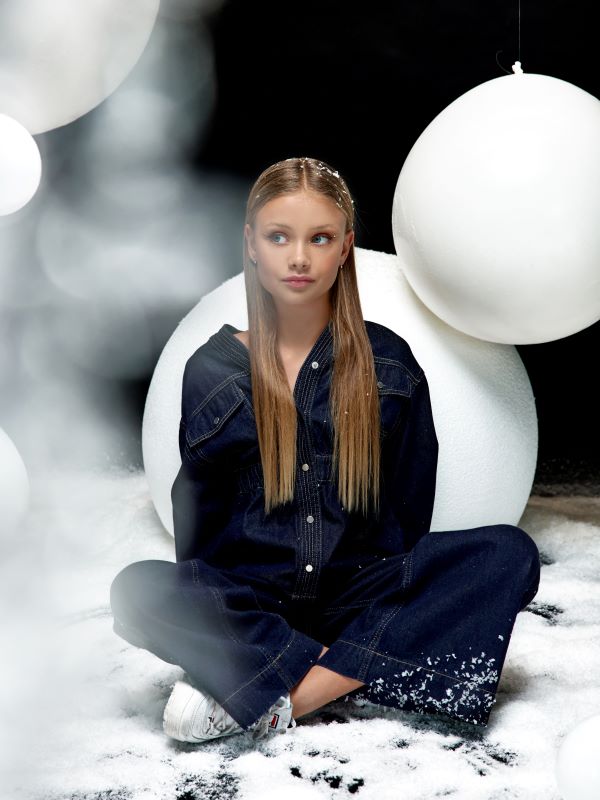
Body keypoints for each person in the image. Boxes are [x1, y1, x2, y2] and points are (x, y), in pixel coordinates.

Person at [109, 156, 541, 744]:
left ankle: (285, 696)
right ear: (251, 244)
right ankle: (358, 670)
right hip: (253, 602)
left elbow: (410, 510)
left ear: (345, 249)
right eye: (279, 237)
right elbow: (198, 522)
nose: (299, 258)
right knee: (136, 588)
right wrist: (210, 616)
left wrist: (397, 604)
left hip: (357, 597)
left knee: (506, 555)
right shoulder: (212, 369)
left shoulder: (390, 364)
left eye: (320, 238)